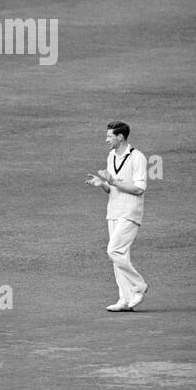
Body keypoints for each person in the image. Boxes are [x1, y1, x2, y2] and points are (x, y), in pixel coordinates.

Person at [86, 121, 149, 311]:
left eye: (109, 136)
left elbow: (139, 189)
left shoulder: (137, 157)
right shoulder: (111, 155)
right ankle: (125, 299)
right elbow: (111, 187)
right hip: (113, 211)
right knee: (119, 257)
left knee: (113, 251)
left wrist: (114, 182)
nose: (106, 140)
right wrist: (103, 184)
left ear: (120, 137)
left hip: (130, 212)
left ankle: (139, 286)